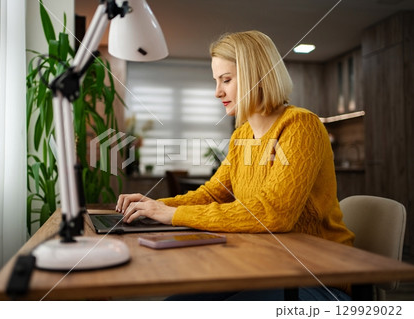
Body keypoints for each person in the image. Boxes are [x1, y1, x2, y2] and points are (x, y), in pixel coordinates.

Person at [115, 30, 355, 301]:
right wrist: (154, 207)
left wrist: (172, 215)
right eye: (216, 81)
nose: (217, 92)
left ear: (256, 76)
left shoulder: (301, 126)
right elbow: (213, 193)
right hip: (264, 266)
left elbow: (274, 213)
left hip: (316, 275)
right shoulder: (242, 136)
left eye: (226, 80)